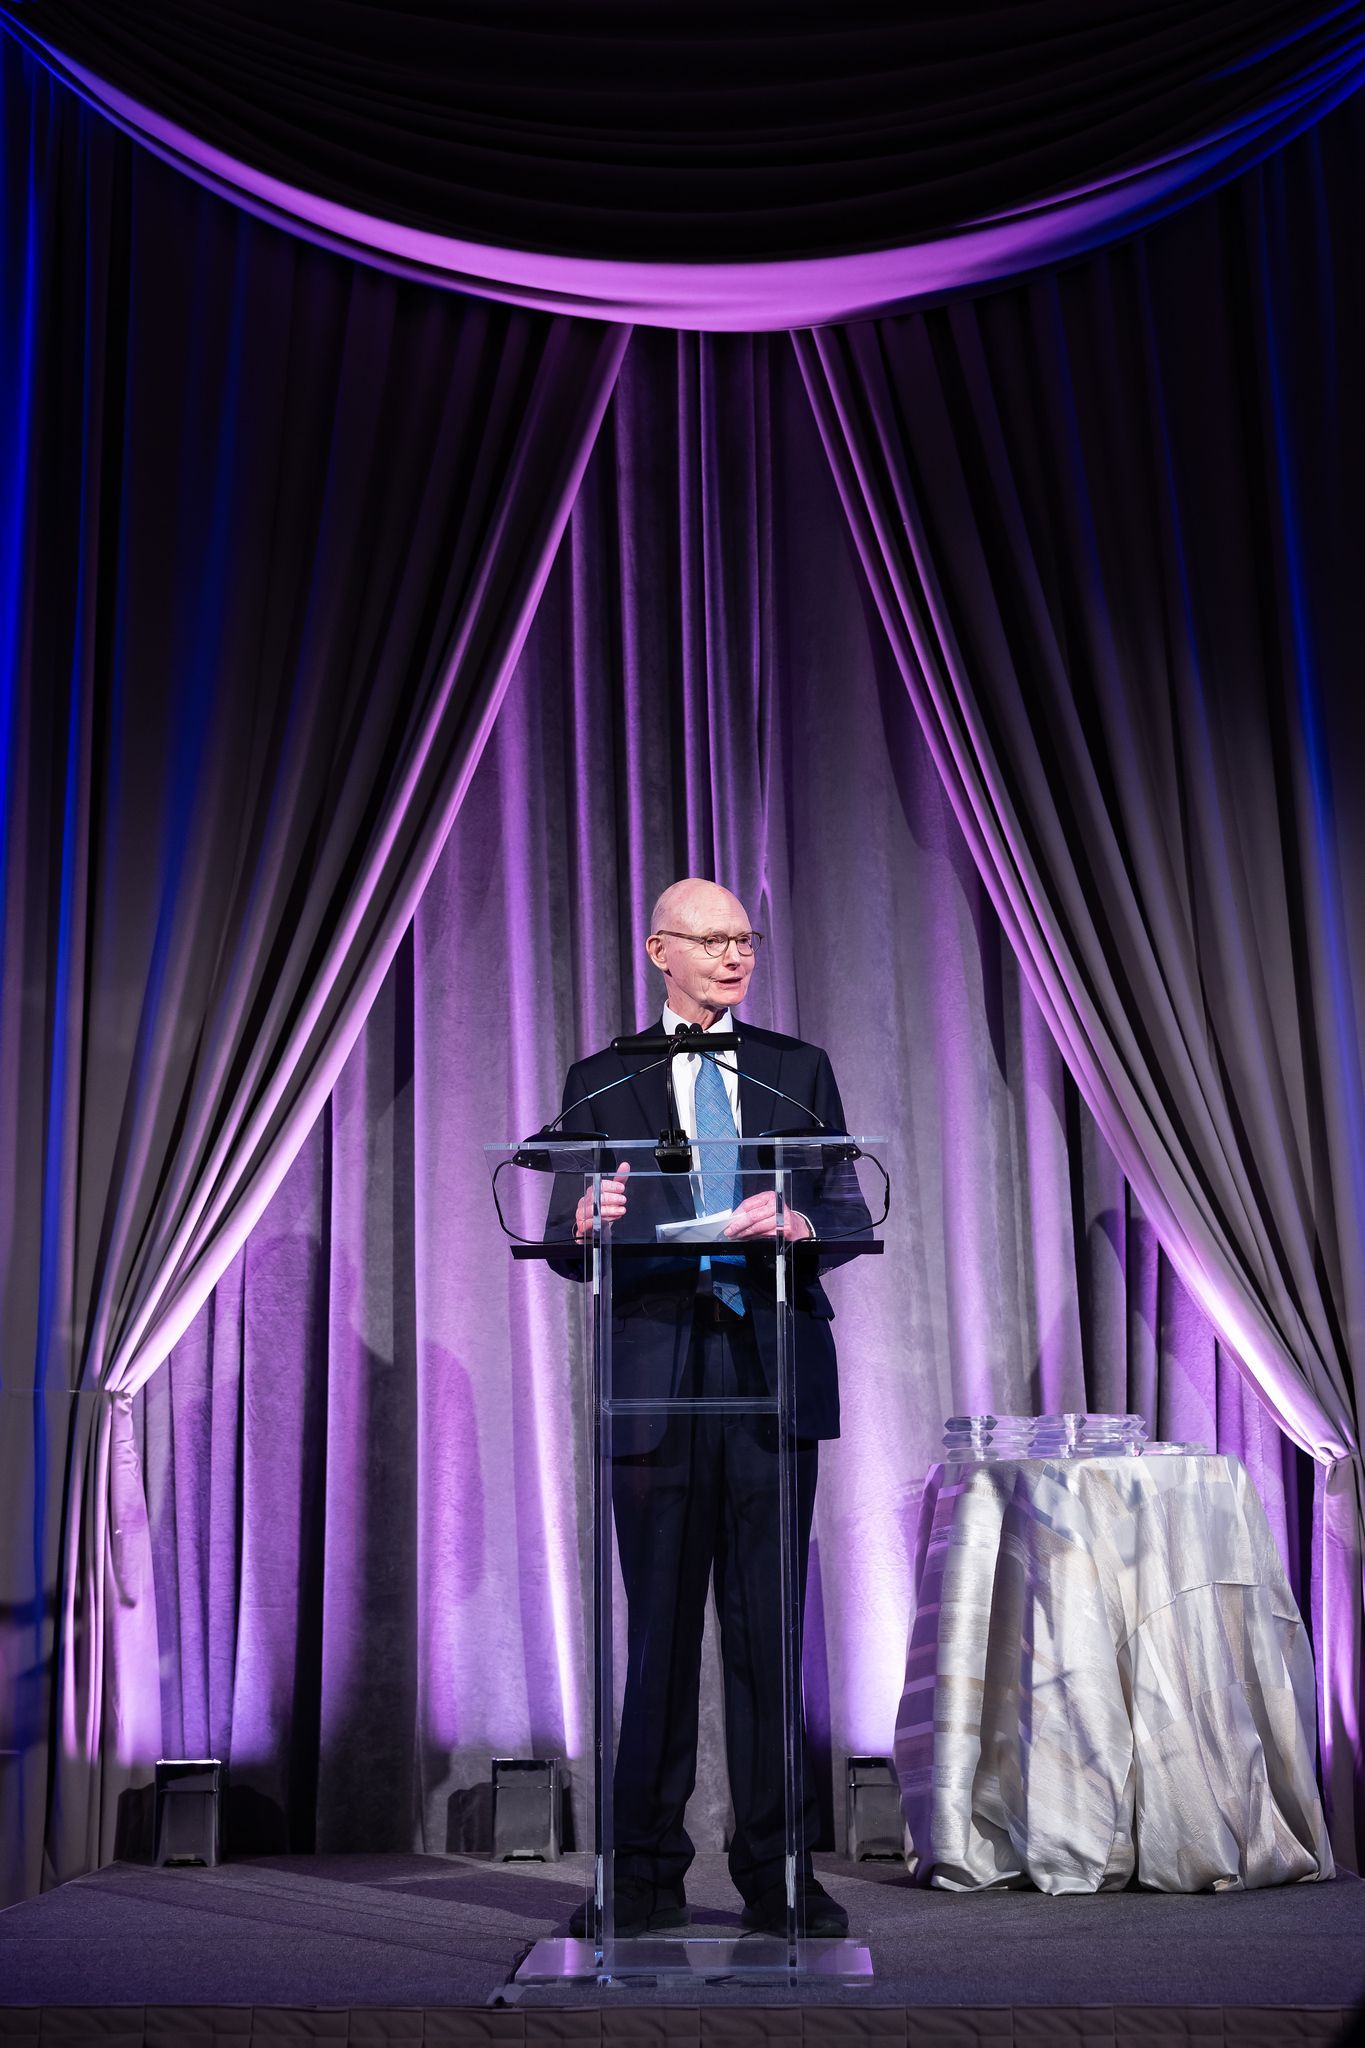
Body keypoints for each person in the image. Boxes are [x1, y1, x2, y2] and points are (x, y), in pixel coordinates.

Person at [548, 878, 871, 1939]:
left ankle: (780, 1874)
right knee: (659, 1642)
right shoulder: (606, 1079)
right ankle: (638, 1874)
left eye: (744, 937)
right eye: (712, 938)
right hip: (656, 1386)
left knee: (769, 1638)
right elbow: (561, 1222)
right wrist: (585, 1213)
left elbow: (847, 1204)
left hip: (768, 1372)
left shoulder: (794, 1066)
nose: (734, 954)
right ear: (659, 950)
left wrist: (802, 1218)